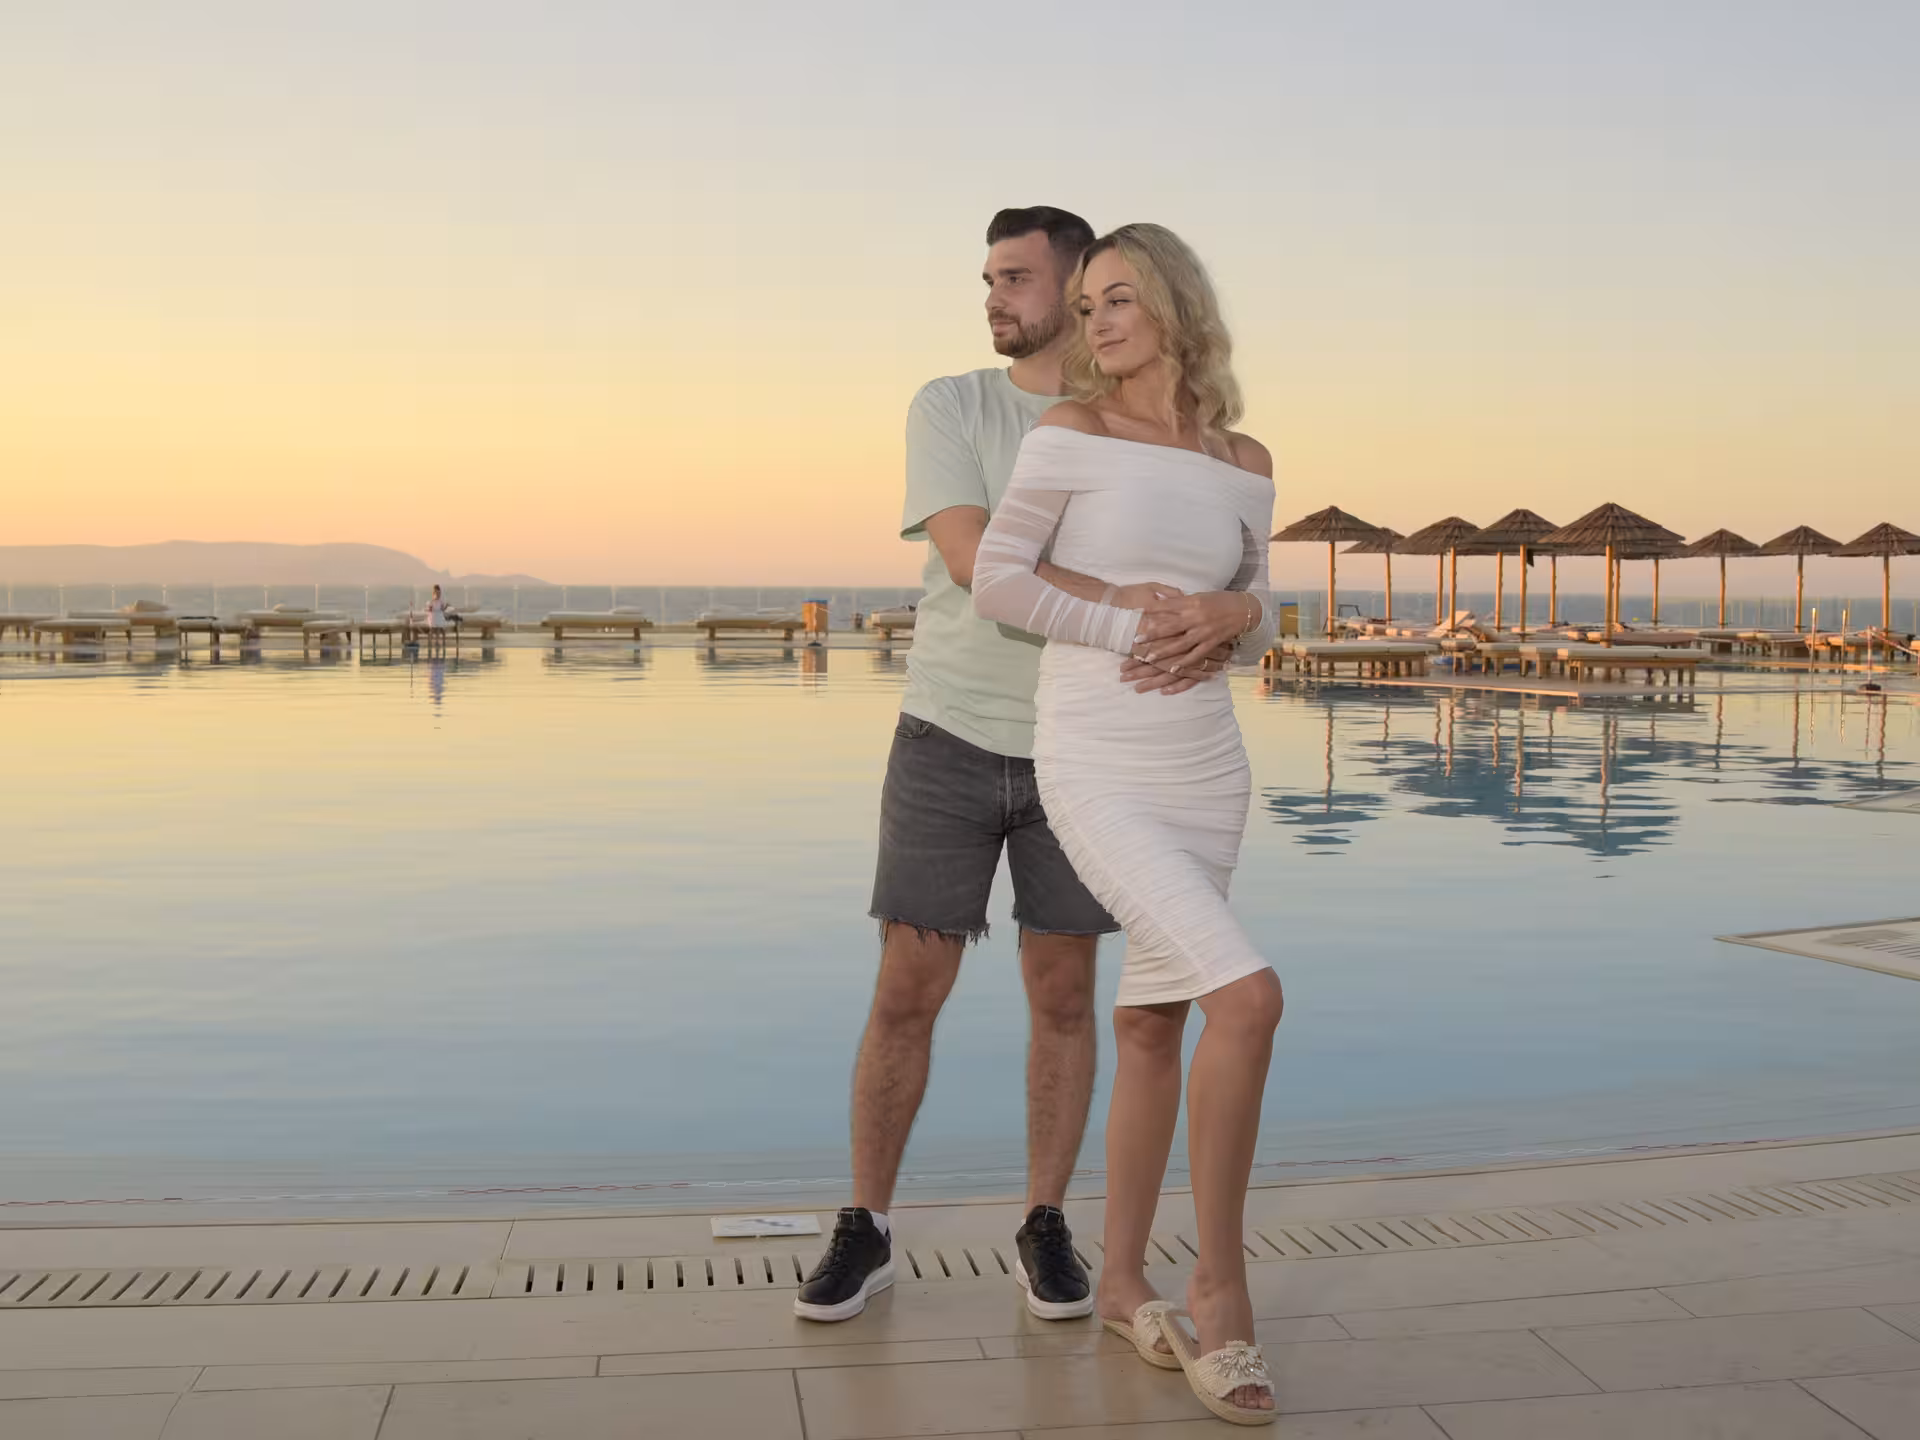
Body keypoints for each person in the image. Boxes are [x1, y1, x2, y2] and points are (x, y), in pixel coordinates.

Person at [794, 207, 1232, 1326]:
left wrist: (1220, 612)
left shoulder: (1129, 428)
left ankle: (1046, 1222)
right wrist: (1136, 610)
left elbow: (1209, 570)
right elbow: (973, 556)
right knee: (907, 990)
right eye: (987, 279)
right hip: (948, 734)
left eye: (1017, 278)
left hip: (1084, 751)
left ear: (1083, 282)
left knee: (1064, 997)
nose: (995, 299)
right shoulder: (956, 406)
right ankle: (868, 1223)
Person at [971, 223, 1284, 1423]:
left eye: (1117, 300)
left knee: (1153, 1020)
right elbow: (999, 579)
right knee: (1245, 997)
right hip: (1096, 752)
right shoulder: (1071, 435)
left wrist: (1225, 612)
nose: (1095, 323)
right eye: (1087, 303)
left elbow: (1260, 605)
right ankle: (1222, 1286)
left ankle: (1121, 1280)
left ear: (1171, 305)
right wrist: (1128, 623)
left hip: (1206, 758)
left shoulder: (1244, 454)